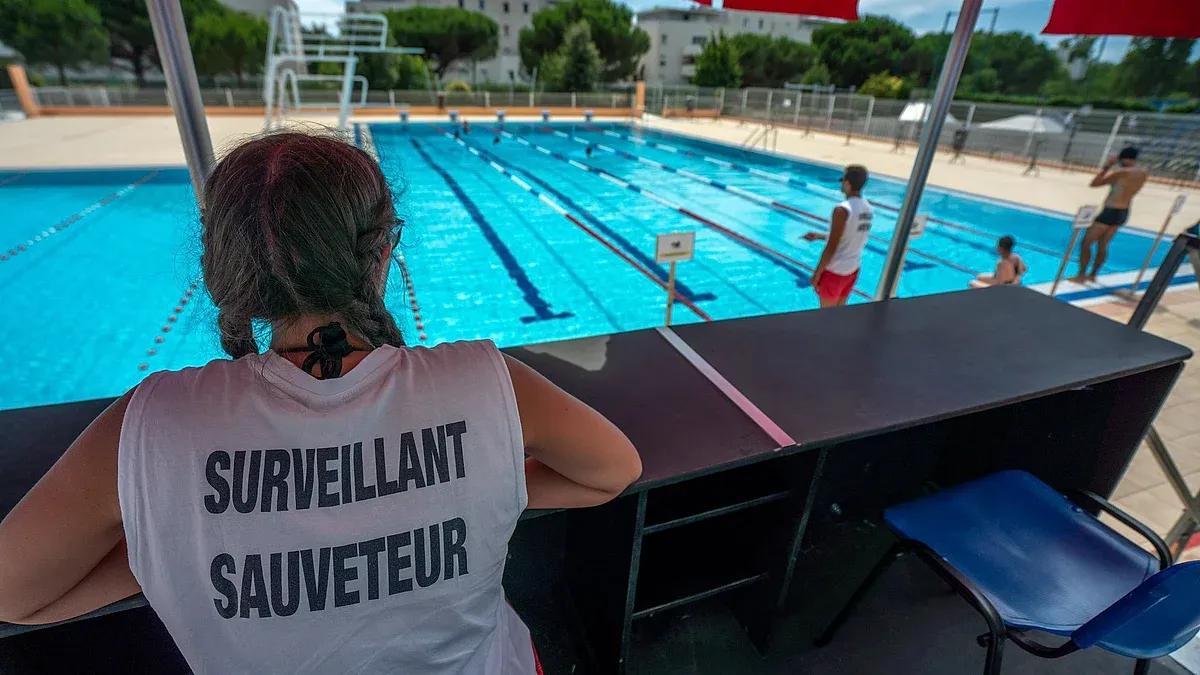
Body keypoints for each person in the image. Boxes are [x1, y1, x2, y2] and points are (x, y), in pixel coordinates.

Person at [0, 132, 642, 674]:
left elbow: (15, 594)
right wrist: (475, 487)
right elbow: (613, 471)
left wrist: (172, 546)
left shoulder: (149, 425)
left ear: (223, 269)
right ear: (384, 251)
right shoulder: (487, 382)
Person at [1071, 146, 1147, 283]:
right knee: (1103, 245)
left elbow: (1094, 184)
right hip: (1124, 211)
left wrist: (1107, 167)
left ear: (1123, 158)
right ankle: (1093, 275)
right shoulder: (1143, 172)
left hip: (1110, 211)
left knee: (1086, 242)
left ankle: (1081, 275)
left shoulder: (1122, 172)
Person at [801, 164, 873, 308]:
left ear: (847, 183)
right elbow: (851, 233)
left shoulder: (841, 209)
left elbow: (832, 247)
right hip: (853, 270)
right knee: (839, 315)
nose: (840, 185)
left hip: (835, 271)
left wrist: (817, 274)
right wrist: (820, 236)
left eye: (842, 181)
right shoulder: (868, 207)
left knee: (826, 319)